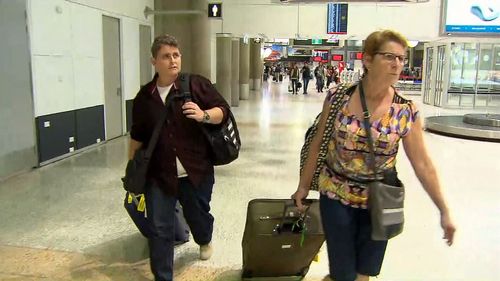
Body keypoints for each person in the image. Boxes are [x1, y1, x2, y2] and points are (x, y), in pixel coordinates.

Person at [291, 30, 456, 281]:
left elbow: (422, 164)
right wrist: (303, 186)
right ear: (367, 60)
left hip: (379, 201)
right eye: (390, 56)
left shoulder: (405, 110)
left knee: (364, 273)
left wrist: (443, 209)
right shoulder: (339, 97)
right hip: (336, 194)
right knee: (344, 274)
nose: (397, 64)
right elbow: (317, 143)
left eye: (401, 58)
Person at [129, 34, 230, 281]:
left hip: (196, 171)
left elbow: (223, 112)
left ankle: (204, 238)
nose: (173, 60)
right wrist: (131, 169)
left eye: (176, 55)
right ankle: (163, 276)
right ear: (154, 61)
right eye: (166, 56)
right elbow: (137, 136)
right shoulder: (145, 97)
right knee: (160, 228)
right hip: (159, 175)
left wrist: (203, 114)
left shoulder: (196, 85)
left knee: (198, 215)